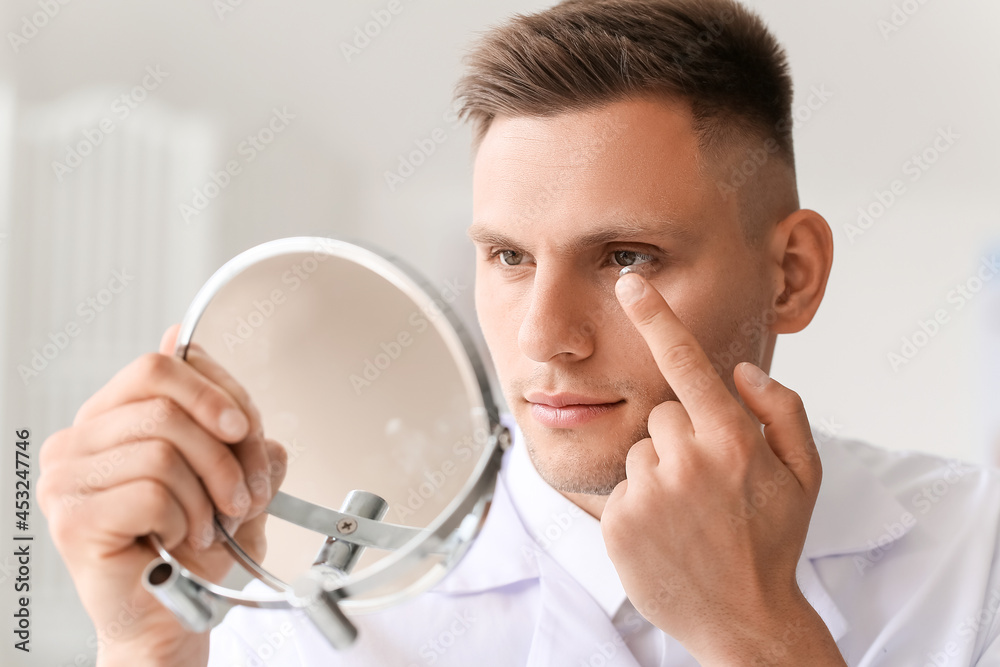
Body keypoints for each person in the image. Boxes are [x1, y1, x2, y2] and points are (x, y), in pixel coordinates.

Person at [38, 0, 1000, 665]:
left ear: (792, 275)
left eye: (626, 256)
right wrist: (141, 649)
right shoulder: (276, 608)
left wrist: (756, 633)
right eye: (506, 257)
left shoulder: (978, 557)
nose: (545, 337)